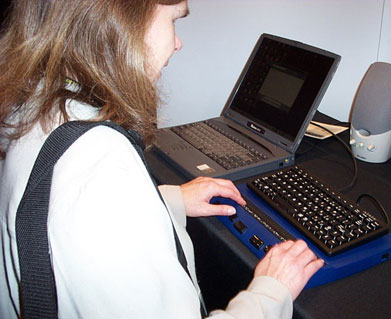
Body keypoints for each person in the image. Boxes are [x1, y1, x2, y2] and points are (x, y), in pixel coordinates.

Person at [0, 0, 324, 318]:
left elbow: (63, 215)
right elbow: (97, 204)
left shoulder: (35, 109)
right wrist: (271, 293)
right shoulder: (103, 176)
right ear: (125, 20)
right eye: (174, 19)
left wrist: (165, 200)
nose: (178, 43)